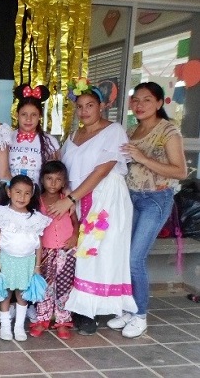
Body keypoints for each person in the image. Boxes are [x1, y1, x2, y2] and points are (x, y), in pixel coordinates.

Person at [49, 79, 137, 335]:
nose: (84, 110)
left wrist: (72, 198)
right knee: (78, 253)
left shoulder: (114, 130)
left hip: (104, 200)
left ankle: (92, 311)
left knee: (97, 254)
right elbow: (65, 167)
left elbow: (102, 170)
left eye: (90, 105)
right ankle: (78, 307)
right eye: (80, 106)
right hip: (78, 199)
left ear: (101, 106)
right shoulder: (74, 135)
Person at [108, 82, 187, 338]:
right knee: (124, 257)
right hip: (130, 198)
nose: (139, 105)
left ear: (159, 103)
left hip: (156, 199)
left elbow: (180, 171)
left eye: (147, 100)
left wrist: (142, 157)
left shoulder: (168, 130)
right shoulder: (131, 130)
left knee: (135, 258)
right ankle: (129, 309)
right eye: (136, 100)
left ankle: (140, 314)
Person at [0, 175, 51, 341]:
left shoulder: (35, 218)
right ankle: (5, 325)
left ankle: (18, 327)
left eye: (26, 193)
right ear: (9, 192)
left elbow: (38, 244)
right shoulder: (2, 213)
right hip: (6, 259)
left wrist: (37, 266)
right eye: (18, 192)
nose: (22, 197)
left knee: (22, 294)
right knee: (5, 293)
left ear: (31, 195)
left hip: (27, 261)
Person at [31, 160, 79, 340]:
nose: (53, 183)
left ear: (64, 182)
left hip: (66, 250)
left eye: (58, 179)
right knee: (44, 286)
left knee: (65, 285)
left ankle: (63, 320)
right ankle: (43, 319)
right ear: (42, 180)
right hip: (44, 251)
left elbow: (75, 221)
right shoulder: (37, 201)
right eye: (49, 178)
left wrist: (75, 236)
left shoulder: (66, 201)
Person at [9, 84, 59, 184]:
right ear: (17, 115)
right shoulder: (7, 138)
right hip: (13, 195)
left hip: (38, 195)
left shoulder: (50, 141)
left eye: (34, 115)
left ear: (39, 116)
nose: (28, 119)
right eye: (24, 114)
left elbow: (55, 173)